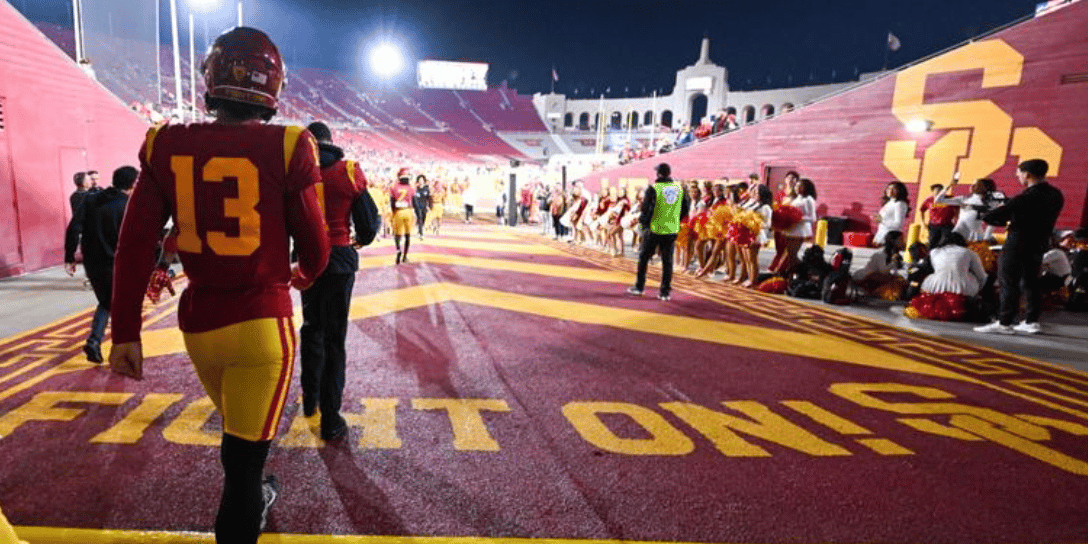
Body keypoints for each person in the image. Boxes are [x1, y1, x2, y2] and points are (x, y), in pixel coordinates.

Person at [107, 27, 331, 544]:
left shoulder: (165, 142)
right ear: (272, 86)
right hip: (260, 326)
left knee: (240, 449)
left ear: (211, 79)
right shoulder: (292, 143)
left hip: (200, 326)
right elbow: (317, 247)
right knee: (244, 462)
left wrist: (124, 332)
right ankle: (248, 504)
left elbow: (135, 246)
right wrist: (304, 275)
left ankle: (254, 491)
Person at [299, 121, 378, 441]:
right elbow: (369, 224)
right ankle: (330, 418)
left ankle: (309, 400)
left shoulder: (298, 171)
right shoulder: (347, 172)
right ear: (331, 141)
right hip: (339, 261)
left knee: (310, 329)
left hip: (307, 260)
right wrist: (357, 241)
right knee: (335, 340)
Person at [975, 159, 1064, 334]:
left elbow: (991, 216)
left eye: (1019, 173)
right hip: (1039, 243)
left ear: (1028, 175)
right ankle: (1031, 321)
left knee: (1008, 281)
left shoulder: (1026, 197)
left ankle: (1005, 322)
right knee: (1031, 282)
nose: (1017, 177)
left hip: (1017, 242)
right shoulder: (1056, 195)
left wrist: (996, 212)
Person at [63, 166, 138, 363]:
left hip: (92, 263)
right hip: (116, 263)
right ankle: (111, 345)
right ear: (133, 184)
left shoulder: (90, 199)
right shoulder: (129, 205)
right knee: (118, 304)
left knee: (106, 301)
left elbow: (73, 228)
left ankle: (95, 342)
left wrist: (69, 256)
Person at [628, 163, 691, 301]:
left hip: (654, 228)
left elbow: (645, 209)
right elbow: (686, 208)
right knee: (667, 261)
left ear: (658, 174)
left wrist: (644, 224)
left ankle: (639, 287)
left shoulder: (654, 188)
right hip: (671, 229)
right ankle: (664, 292)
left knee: (644, 258)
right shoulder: (679, 188)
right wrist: (675, 219)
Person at [921, 233, 987, 297]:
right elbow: (982, 276)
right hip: (964, 289)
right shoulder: (968, 252)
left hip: (934, 287)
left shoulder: (934, 252)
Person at [920, 183, 958, 248]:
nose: (938, 192)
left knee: (945, 243)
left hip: (947, 225)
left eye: (940, 190)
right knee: (932, 243)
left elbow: (957, 208)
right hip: (933, 226)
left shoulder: (950, 199)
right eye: (936, 190)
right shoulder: (929, 200)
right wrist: (923, 222)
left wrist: (956, 217)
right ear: (932, 192)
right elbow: (922, 210)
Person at [390, 168, 416, 264]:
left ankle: (398, 249)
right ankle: (405, 256)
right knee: (408, 235)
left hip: (398, 212)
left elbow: (391, 202)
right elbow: (414, 202)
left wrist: (393, 213)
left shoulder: (393, 187)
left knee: (397, 235)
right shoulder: (411, 187)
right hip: (408, 211)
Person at [873, 181, 909, 246]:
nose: (890, 191)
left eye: (894, 189)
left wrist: (882, 220)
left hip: (891, 238)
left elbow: (898, 224)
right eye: (889, 188)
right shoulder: (889, 203)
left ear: (900, 191)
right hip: (882, 236)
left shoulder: (900, 204)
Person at [412, 174, 431, 238]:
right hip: (417, 207)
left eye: (422, 180)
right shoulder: (415, 189)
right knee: (419, 218)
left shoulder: (427, 189)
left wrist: (429, 206)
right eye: (419, 180)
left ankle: (419, 230)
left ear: (424, 181)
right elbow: (413, 198)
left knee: (423, 219)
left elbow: (429, 198)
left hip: (424, 206)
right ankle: (421, 233)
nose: (421, 181)